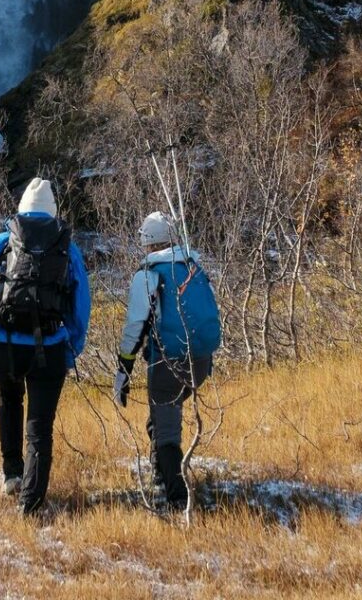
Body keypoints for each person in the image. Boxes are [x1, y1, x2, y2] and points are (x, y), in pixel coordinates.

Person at [0, 177, 91, 516]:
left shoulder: (2, 241)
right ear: (52, 212)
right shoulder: (67, 245)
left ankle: (12, 474)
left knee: (9, 400)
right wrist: (72, 346)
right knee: (40, 424)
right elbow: (81, 300)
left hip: (4, 343)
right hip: (50, 345)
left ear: (22, 209)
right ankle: (31, 502)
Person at [113, 211, 220, 510]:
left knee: (166, 429)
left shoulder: (148, 274)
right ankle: (160, 472)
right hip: (200, 361)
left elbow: (135, 325)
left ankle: (177, 498)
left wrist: (123, 370)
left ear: (147, 242)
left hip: (168, 360)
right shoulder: (193, 266)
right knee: (162, 417)